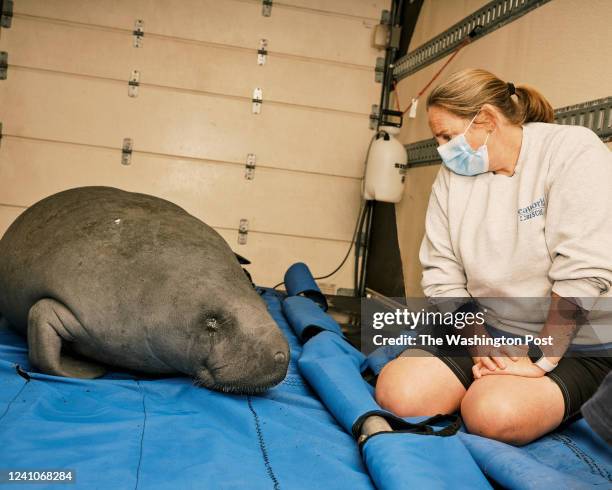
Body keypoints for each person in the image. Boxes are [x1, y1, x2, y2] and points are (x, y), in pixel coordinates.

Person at [375, 68, 612, 446]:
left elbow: (583, 271)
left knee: (492, 414)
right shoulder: (454, 176)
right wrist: (479, 343)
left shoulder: (572, 150)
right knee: (400, 394)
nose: (442, 150)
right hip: (492, 329)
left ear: (486, 120)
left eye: (447, 136)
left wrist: (542, 359)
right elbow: (442, 274)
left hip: (575, 341)